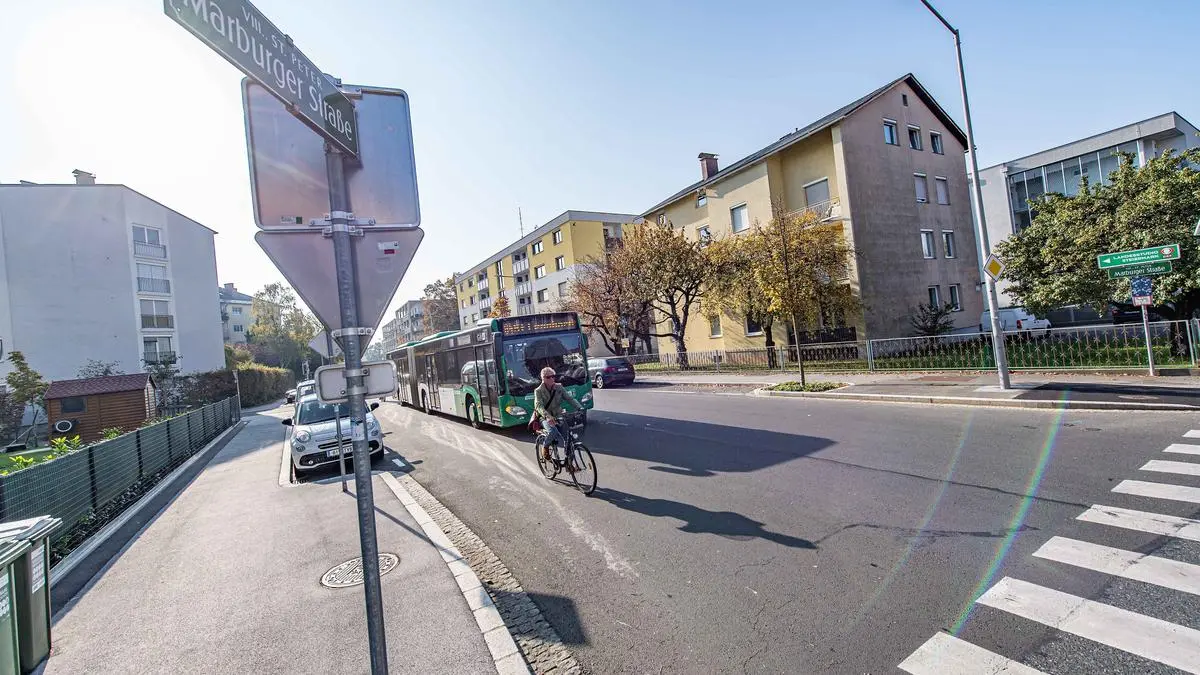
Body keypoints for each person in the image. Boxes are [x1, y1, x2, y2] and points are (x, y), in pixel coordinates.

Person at [533, 366, 582, 461]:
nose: (552, 378)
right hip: (545, 417)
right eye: (548, 377)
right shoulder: (538, 391)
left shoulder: (559, 387)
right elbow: (539, 406)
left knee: (568, 438)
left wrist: (579, 407)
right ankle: (545, 446)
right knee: (553, 431)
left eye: (553, 376)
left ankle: (570, 463)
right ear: (543, 379)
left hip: (558, 415)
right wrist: (548, 417)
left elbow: (569, 398)